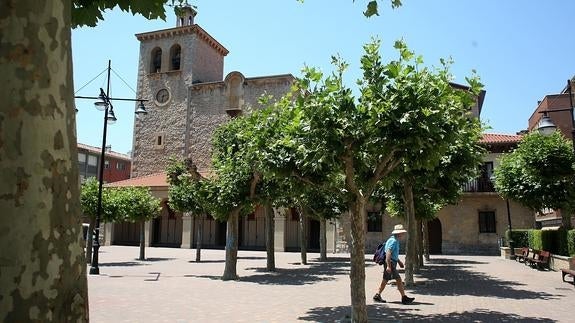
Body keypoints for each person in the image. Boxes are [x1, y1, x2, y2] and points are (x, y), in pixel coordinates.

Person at [373, 224, 415, 305]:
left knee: (385, 279)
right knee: (398, 279)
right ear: (399, 233)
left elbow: (392, 254)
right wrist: (389, 266)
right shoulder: (394, 241)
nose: (403, 234)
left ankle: (377, 295)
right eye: (402, 232)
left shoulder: (392, 240)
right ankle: (404, 298)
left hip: (392, 262)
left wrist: (399, 262)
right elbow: (388, 253)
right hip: (391, 263)